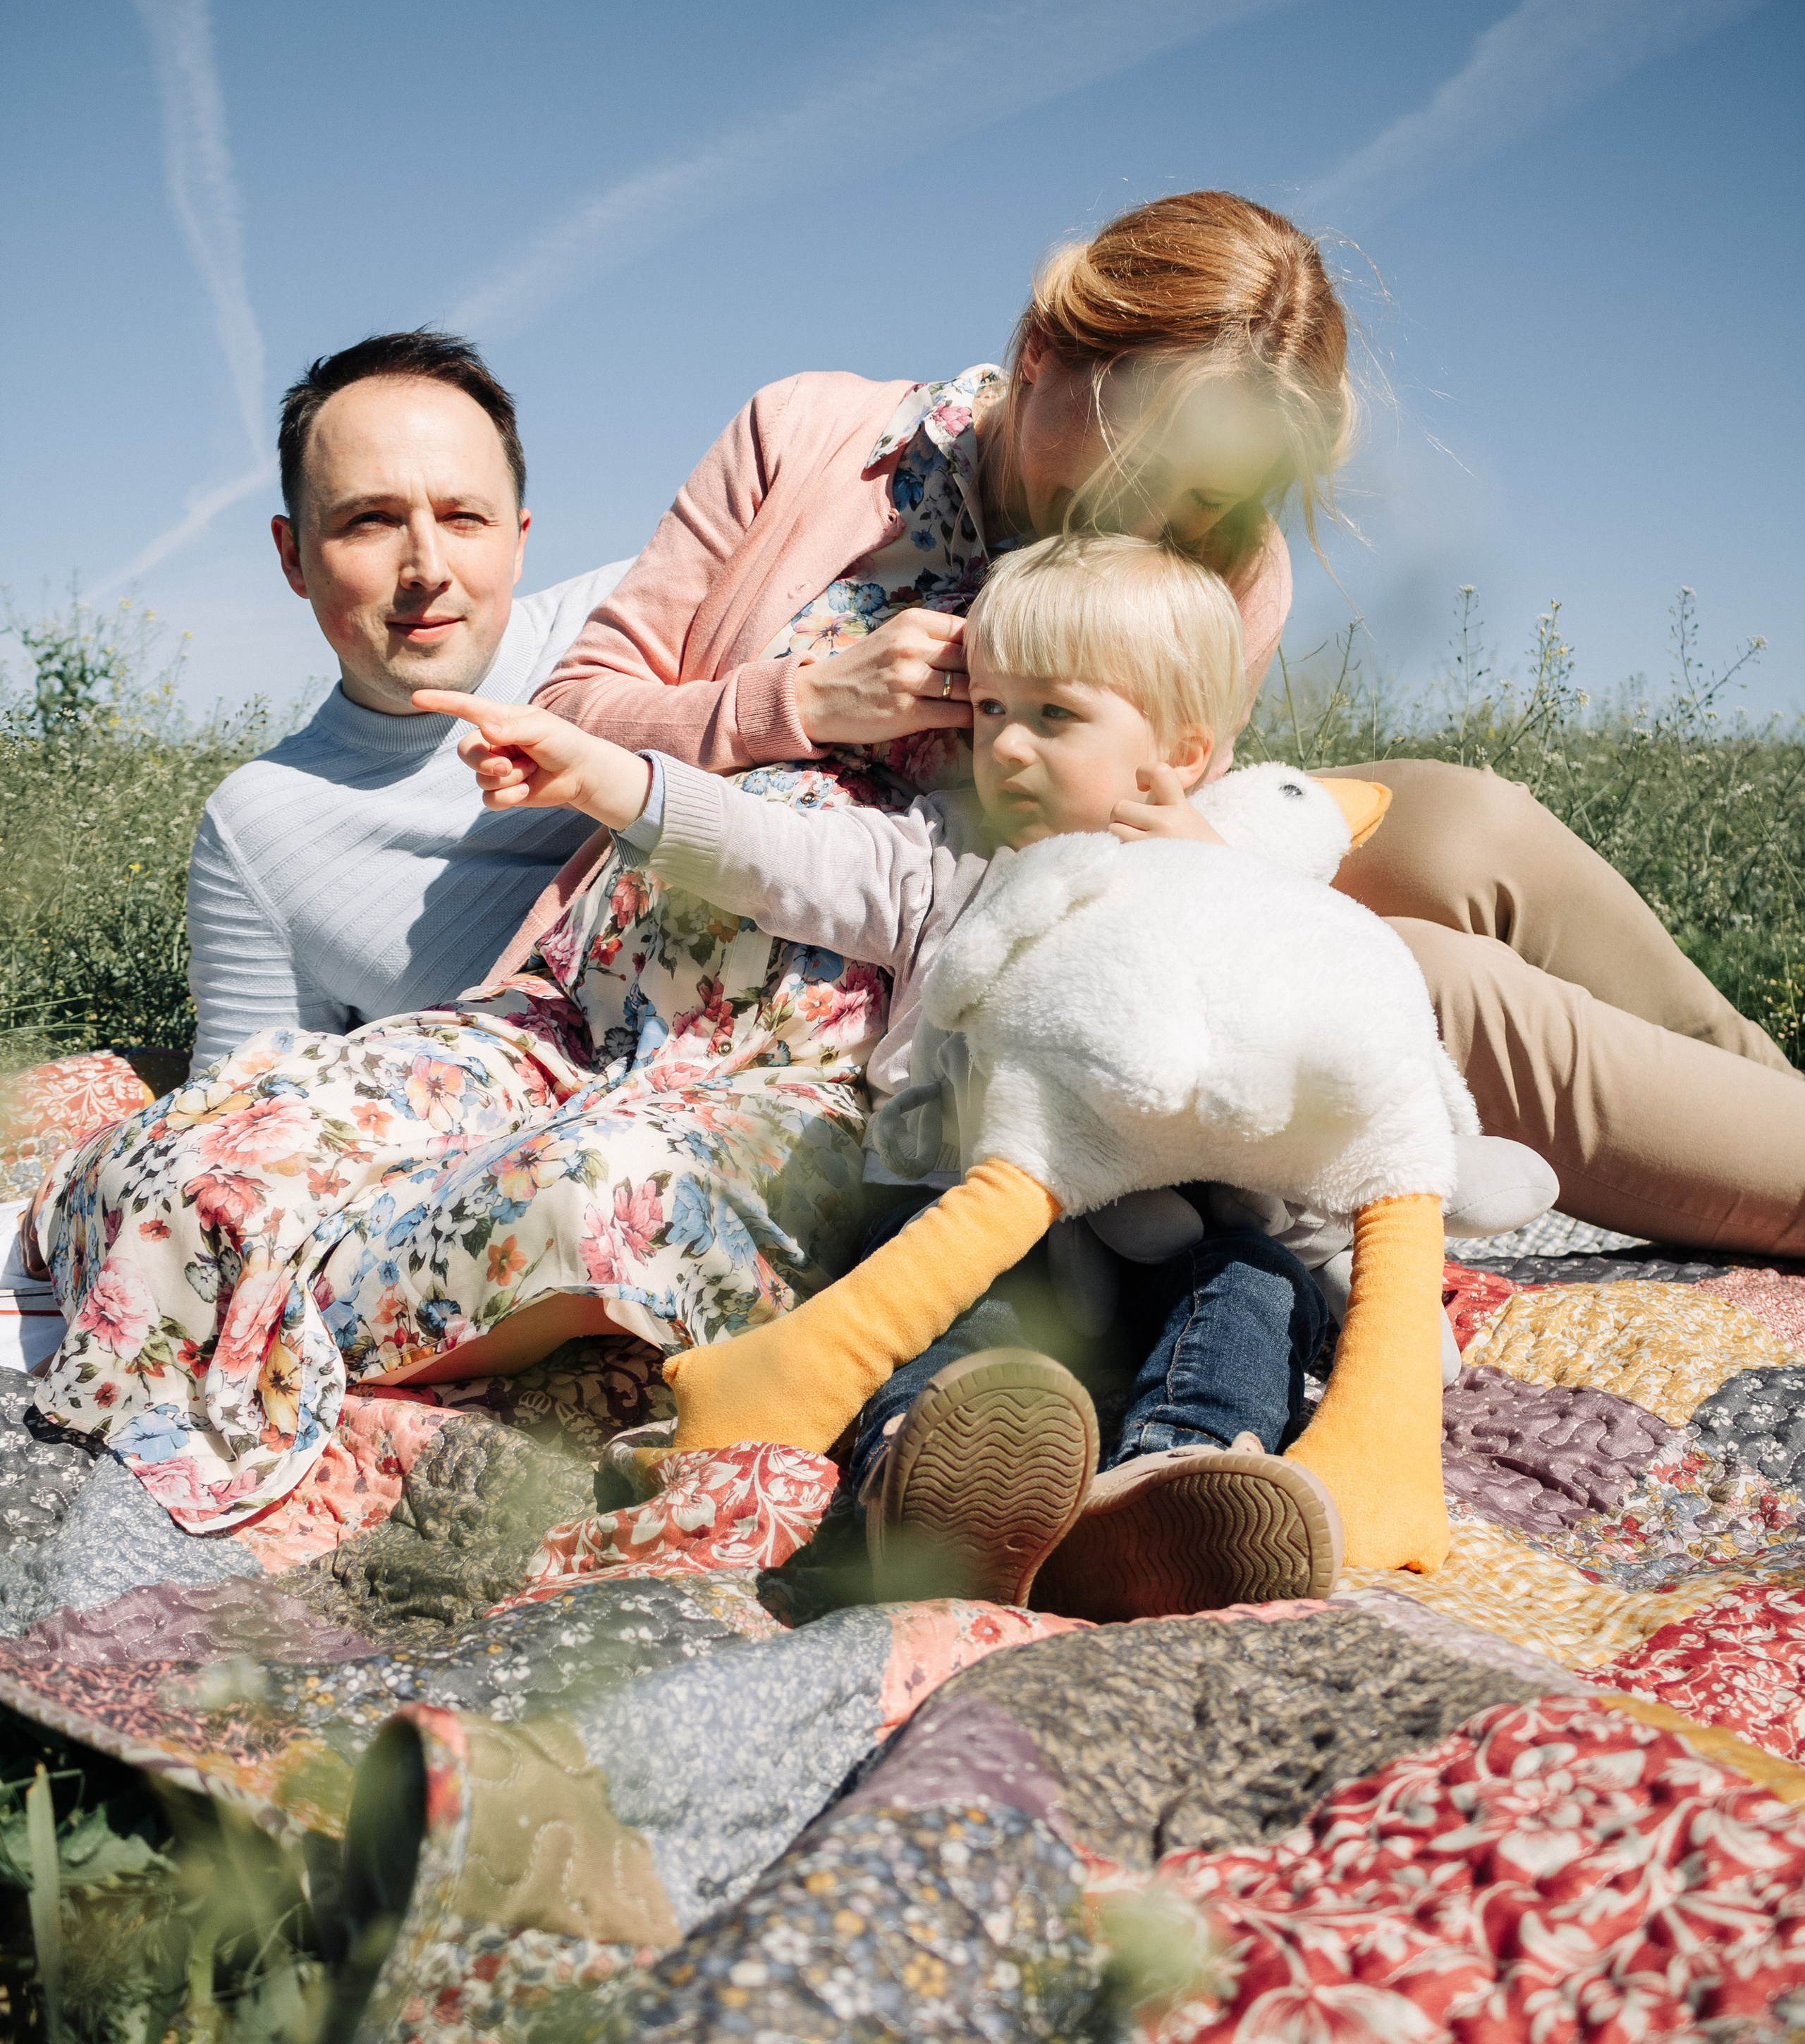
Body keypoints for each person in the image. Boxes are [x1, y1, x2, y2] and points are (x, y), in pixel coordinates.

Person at [518, 191, 1804, 1256]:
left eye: (1213, 501)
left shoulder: (1229, 560)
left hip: (1105, 882)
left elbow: (1172, 834)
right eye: (1150, 475)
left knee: (1466, 826)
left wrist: (1190, 839)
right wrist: (796, 700)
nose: (1164, 535)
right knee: (1430, 981)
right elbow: (571, 713)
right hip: (925, 952)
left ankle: (1775, 1093)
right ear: (1041, 361)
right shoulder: (808, 433)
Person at [422, 532, 1345, 1615]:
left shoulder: (1243, 895)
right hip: (964, 1225)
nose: (1004, 748)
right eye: (993, 710)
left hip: (1177, 1226)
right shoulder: (946, 864)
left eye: (1055, 717)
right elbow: (775, 858)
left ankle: (1170, 1490)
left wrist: (1211, 890)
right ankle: (928, 1485)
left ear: (1184, 756)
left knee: (1252, 1289)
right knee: (955, 1326)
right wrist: (614, 785)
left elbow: (1322, 1066)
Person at [183, 329, 629, 1070]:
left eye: (463, 518)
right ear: (293, 556)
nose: (426, 568)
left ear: (517, 542)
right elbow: (243, 1120)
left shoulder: (642, 618)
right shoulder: (258, 831)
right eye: (372, 520)